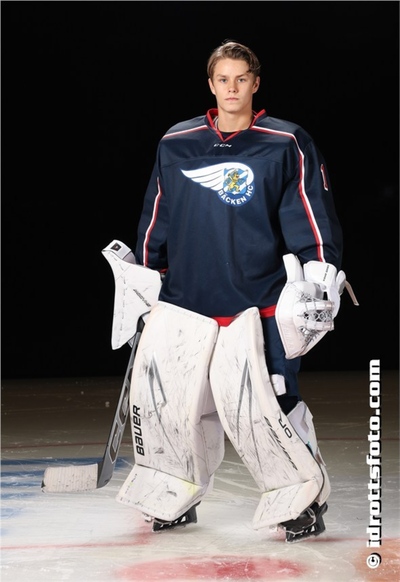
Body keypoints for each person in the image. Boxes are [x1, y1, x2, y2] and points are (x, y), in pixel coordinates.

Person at [121, 40, 355, 542]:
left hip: (259, 301)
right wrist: (143, 277)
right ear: (211, 85)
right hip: (186, 303)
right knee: (174, 407)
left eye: (241, 79)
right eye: (223, 79)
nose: (232, 88)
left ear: (255, 83)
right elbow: (157, 217)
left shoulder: (285, 142)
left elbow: (312, 216)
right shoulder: (176, 142)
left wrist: (319, 274)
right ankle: (173, 493)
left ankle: (302, 500)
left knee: (270, 405)